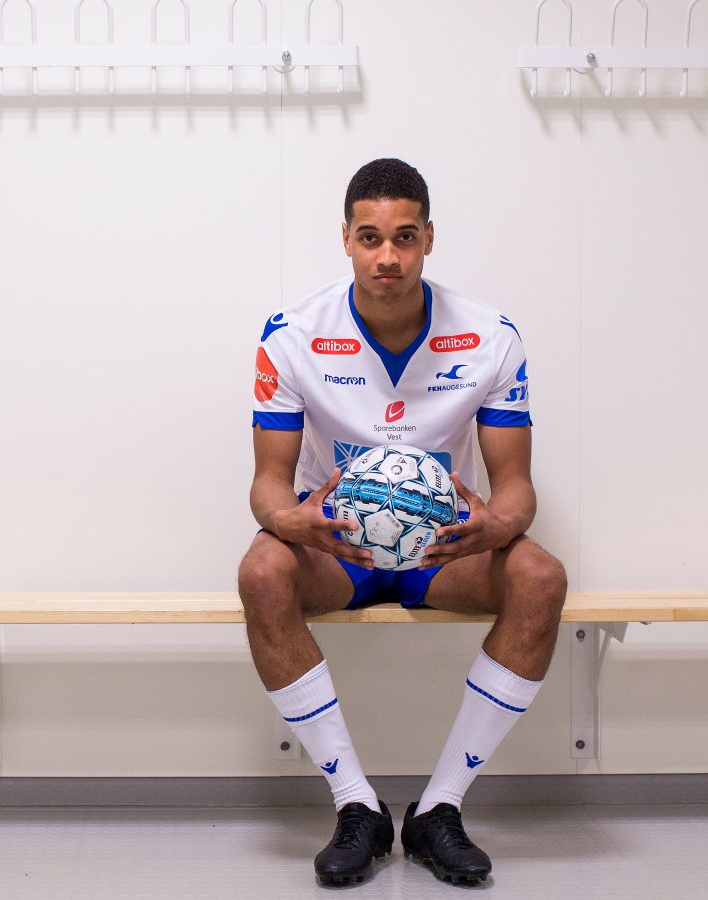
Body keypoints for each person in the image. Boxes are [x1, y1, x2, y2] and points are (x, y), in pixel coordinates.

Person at [240, 158, 566, 887]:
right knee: (261, 570)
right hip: (338, 546)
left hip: (443, 548)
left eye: (404, 237)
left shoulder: (488, 335)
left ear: (428, 238)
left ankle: (439, 809)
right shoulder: (292, 333)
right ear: (347, 240)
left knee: (541, 577)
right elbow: (267, 483)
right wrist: (290, 520)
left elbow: (516, 487)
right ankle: (356, 806)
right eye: (371, 237)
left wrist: (497, 526)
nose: (387, 256)